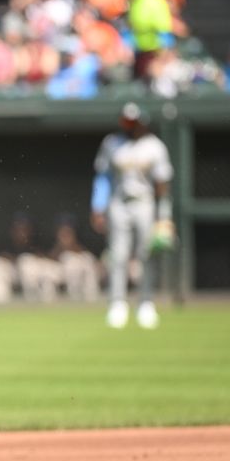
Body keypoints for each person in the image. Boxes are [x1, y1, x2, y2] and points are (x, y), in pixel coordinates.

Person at [90, 102, 174, 329]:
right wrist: (98, 206)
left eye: (133, 121)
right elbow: (103, 177)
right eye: (126, 121)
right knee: (118, 255)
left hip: (145, 203)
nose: (129, 125)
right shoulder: (112, 143)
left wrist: (164, 215)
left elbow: (162, 184)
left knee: (146, 254)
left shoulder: (154, 146)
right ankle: (117, 303)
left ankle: (146, 303)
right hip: (119, 203)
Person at [0, 212, 60, 304]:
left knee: (26, 262)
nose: (21, 231)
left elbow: (49, 257)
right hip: (13, 272)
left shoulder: (38, 240)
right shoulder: (5, 241)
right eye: (18, 227)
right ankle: (1, 305)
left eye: (25, 228)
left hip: (36, 276)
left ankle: (35, 302)